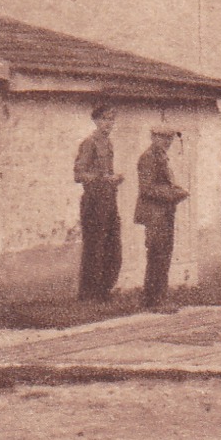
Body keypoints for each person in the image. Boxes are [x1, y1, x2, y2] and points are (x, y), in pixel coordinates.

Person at [135, 125, 190, 311]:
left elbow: (160, 185)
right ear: (153, 137)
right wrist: (174, 194)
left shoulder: (161, 157)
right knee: (157, 254)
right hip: (154, 214)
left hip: (164, 213)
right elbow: (147, 188)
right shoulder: (148, 158)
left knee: (163, 255)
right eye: (163, 137)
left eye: (170, 139)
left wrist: (176, 191)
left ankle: (157, 298)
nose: (167, 142)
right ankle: (154, 300)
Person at [73, 103, 124, 301]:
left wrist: (114, 179)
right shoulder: (89, 143)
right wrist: (103, 179)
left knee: (113, 246)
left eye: (111, 119)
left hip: (109, 199)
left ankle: (104, 291)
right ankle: (89, 294)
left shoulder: (108, 143)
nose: (108, 124)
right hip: (93, 201)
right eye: (104, 119)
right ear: (95, 120)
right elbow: (79, 174)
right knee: (94, 247)